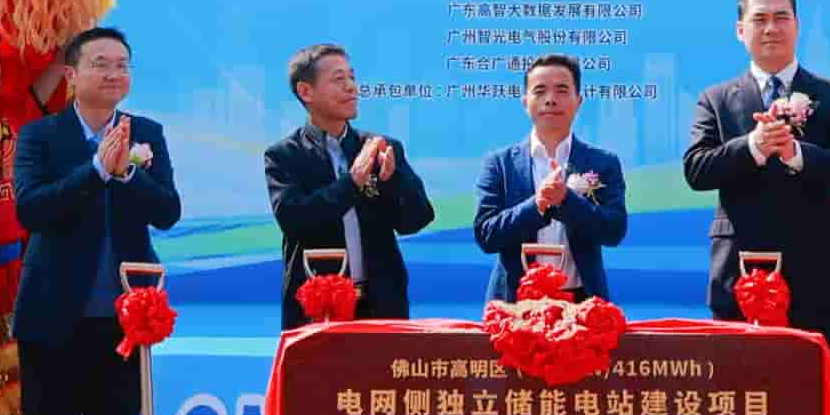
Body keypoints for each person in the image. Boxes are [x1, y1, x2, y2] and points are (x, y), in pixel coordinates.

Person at [10, 26, 181, 415]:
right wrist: (96, 171)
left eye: (121, 65)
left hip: (124, 322)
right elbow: (31, 209)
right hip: (52, 319)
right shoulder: (40, 135)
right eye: (100, 64)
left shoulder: (146, 133)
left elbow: (168, 212)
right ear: (71, 75)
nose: (113, 74)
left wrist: (128, 175)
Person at [680, 0, 830, 374]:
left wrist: (796, 154)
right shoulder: (715, 99)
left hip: (815, 271)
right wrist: (752, 146)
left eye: (781, 17)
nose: (771, 28)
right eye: (760, 19)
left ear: (797, 26)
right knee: (737, 392)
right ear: (741, 31)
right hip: (740, 271)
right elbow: (696, 170)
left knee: (812, 390)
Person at [266, 42, 435, 323]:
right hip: (316, 304)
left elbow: (418, 219)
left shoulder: (381, 147)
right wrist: (352, 182)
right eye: (338, 79)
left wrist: (392, 181)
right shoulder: (285, 155)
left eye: (352, 77)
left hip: (381, 303)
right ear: (306, 91)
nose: (351, 87)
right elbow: (295, 220)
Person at [471, 51, 630, 303]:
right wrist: (537, 204)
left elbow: (614, 230)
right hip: (514, 304)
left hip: (582, 303)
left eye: (562, 90)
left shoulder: (603, 162)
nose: (550, 99)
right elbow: (486, 235)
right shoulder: (500, 163)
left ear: (579, 100)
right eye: (540, 91)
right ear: (525, 102)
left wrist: (567, 201)